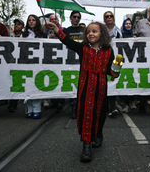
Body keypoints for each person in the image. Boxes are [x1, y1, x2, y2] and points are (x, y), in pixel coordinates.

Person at [45, 21, 119, 162]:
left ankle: (98, 134)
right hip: (85, 88)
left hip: (101, 89)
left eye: (94, 31)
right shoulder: (83, 48)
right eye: (88, 31)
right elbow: (67, 41)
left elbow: (111, 70)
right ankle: (86, 145)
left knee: (101, 113)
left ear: (102, 34)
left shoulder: (109, 50)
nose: (91, 33)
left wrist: (115, 73)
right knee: (86, 114)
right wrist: (56, 29)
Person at [21, 14, 47, 119]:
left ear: (37, 22)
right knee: (27, 86)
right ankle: (29, 108)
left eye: (33, 20)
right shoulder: (23, 35)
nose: (31, 22)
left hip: (38, 64)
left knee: (36, 86)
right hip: (26, 64)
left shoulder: (42, 34)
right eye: (29, 20)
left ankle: (37, 109)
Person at [63, 11, 85, 119]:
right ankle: (73, 106)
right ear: (70, 18)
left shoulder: (84, 31)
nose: (76, 19)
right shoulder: (67, 31)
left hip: (80, 61)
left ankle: (77, 107)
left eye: (78, 17)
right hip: (69, 62)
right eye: (75, 17)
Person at [103, 11, 122, 117]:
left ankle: (112, 107)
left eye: (111, 16)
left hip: (115, 60)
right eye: (107, 16)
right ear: (104, 18)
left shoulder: (118, 30)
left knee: (113, 80)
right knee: (104, 82)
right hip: (104, 59)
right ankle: (105, 107)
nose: (109, 18)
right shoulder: (101, 30)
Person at [119, 18, 137, 112]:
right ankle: (126, 104)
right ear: (123, 25)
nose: (128, 25)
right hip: (124, 63)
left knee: (132, 81)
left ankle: (133, 101)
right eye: (126, 23)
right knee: (125, 84)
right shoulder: (120, 36)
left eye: (130, 23)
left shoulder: (135, 36)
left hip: (133, 62)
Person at [7, 18, 25, 112]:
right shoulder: (10, 35)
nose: (16, 25)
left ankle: (14, 103)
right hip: (11, 61)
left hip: (21, 62)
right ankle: (10, 102)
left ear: (23, 27)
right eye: (15, 24)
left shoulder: (25, 36)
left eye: (19, 24)